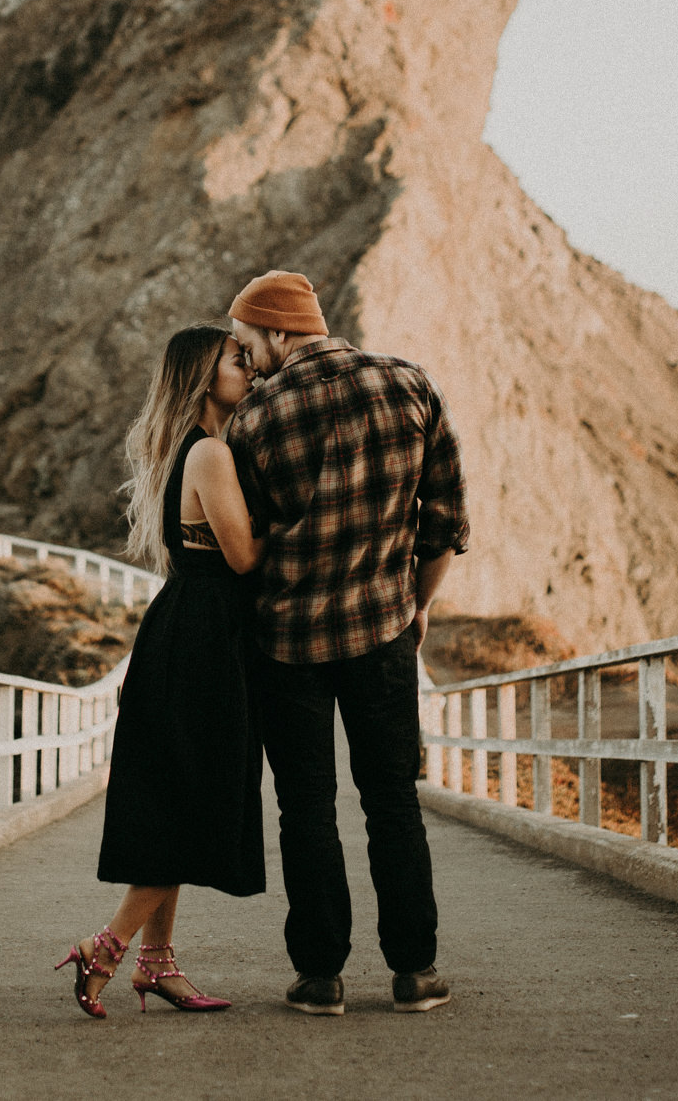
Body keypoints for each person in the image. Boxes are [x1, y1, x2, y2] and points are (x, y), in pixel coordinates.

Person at [221, 270, 468, 1017]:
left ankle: (321, 975)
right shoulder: (408, 384)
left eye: (245, 341)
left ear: (278, 330)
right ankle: (415, 971)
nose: (245, 356)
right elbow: (445, 517)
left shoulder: (254, 420)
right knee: (393, 800)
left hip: (288, 644)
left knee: (307, 809)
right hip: (384, 631)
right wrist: (416, 608)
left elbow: (249, 544)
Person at [57, 325, 267, 1018]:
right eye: (239, 358)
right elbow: (242, 558)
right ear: (208, 376)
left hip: (188, 633)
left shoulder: (196, 449)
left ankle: (157, 963)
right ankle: (109, 947)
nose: (251, 363)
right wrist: (309, 520)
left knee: (180, 800)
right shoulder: (208, 452)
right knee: (199, 806)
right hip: (204, 641)